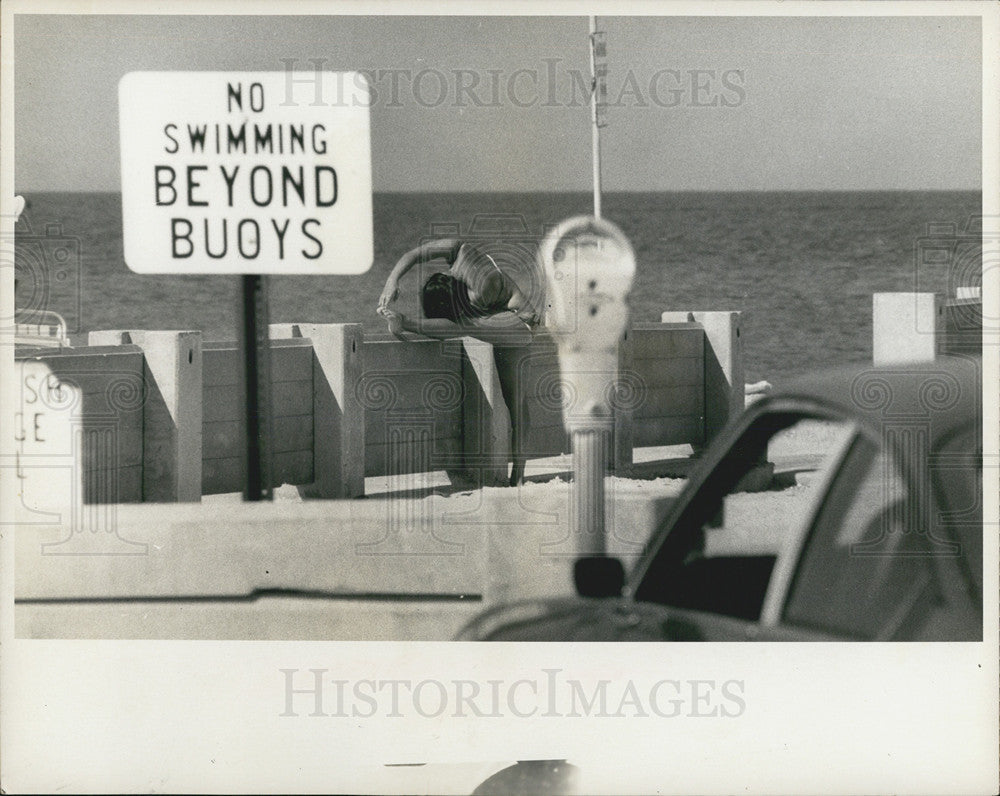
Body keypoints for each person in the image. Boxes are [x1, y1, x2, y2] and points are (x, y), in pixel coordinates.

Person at [376, 238, 544, 486]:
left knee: (516, 404)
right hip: (498, 315)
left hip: (521, 324)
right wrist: (392, 281)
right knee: (516, 404)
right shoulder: (458, 250)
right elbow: (415, 252)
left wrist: (407, 323)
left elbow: (455, 327)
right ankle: (517, 476)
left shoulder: (481, 292)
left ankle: (518, 475)